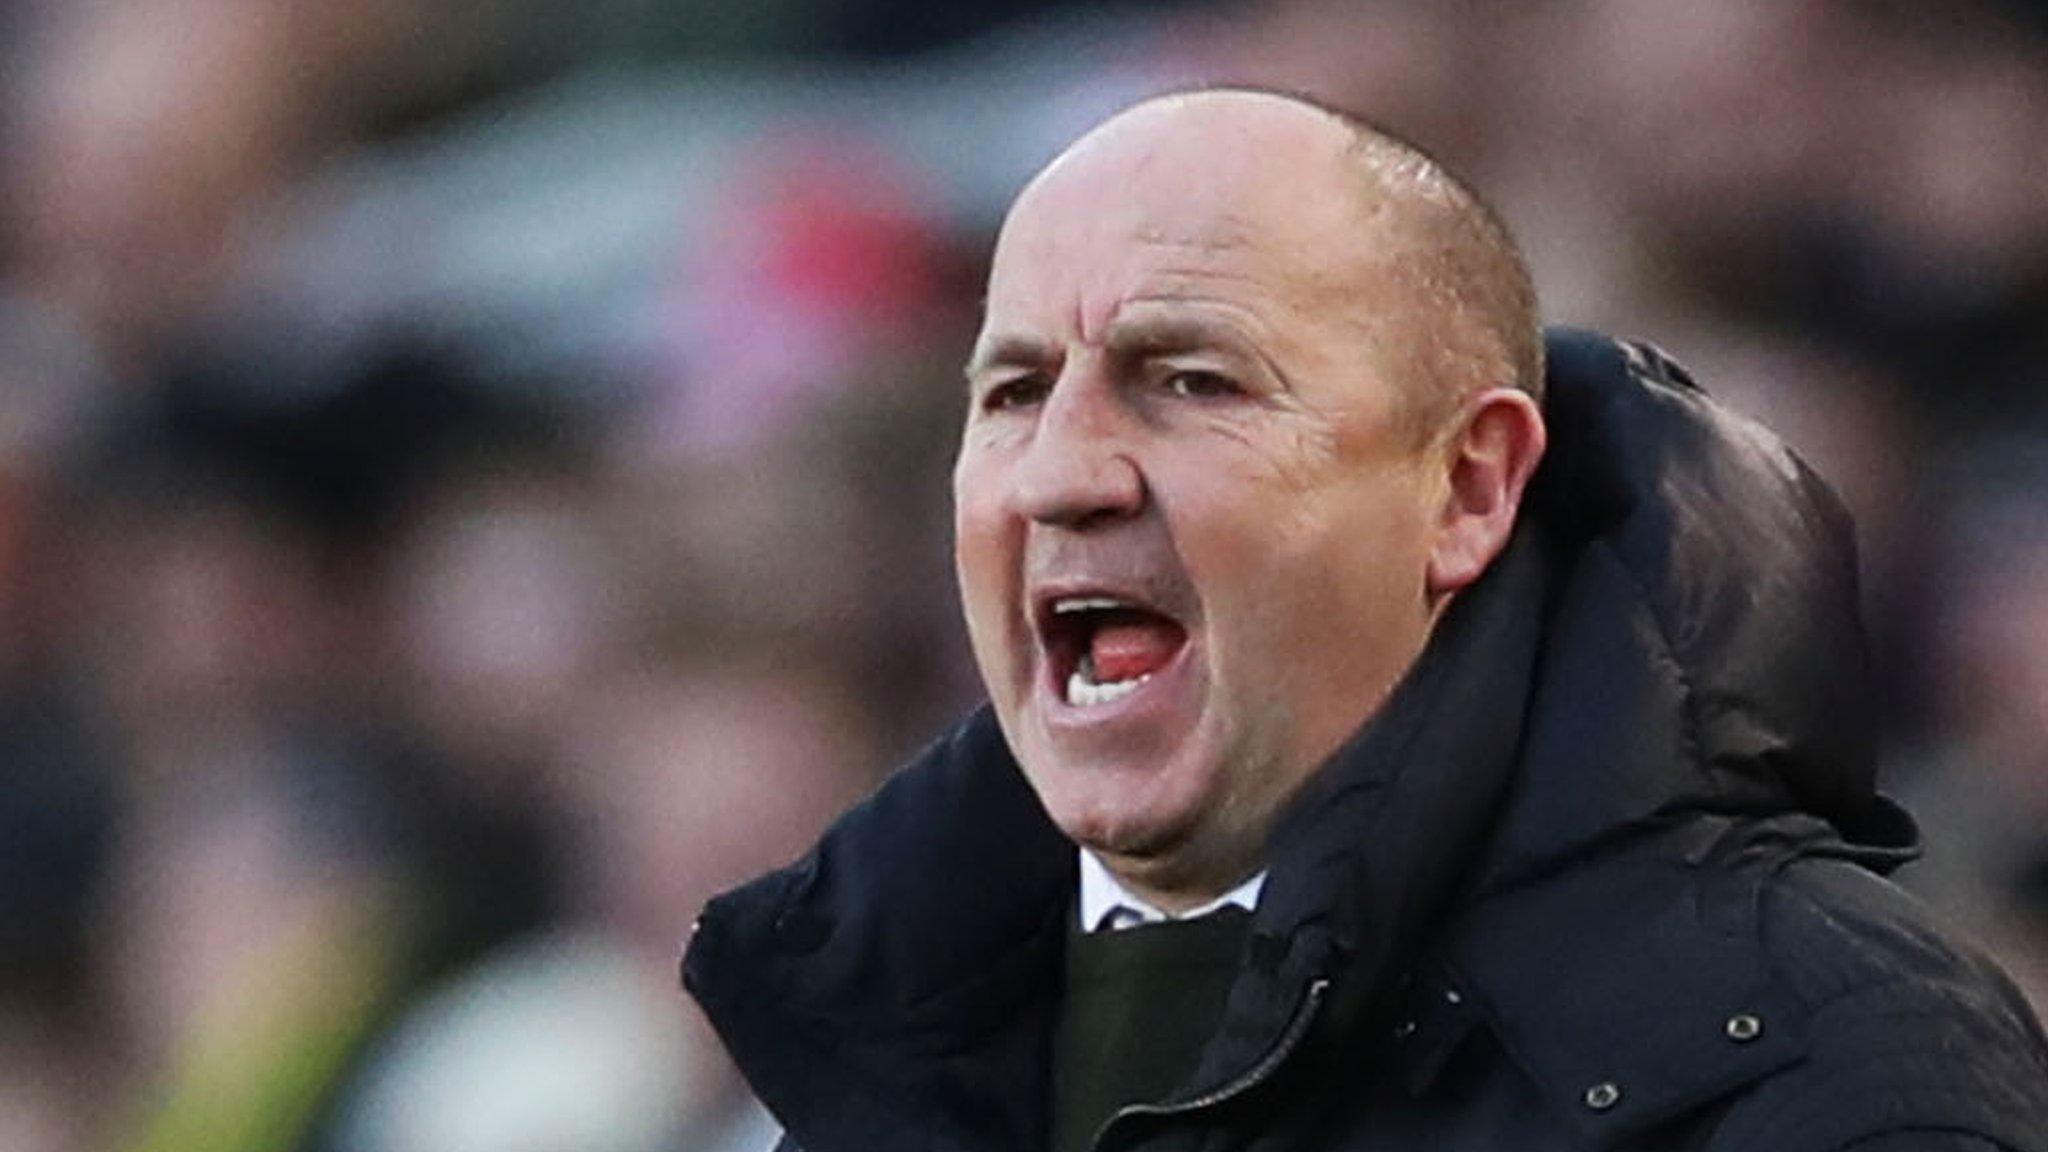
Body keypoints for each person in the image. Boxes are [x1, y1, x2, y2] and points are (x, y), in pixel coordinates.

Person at [682, 88, 2048, 1151]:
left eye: (1193, 380)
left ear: (1466, 486)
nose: (1060, 472)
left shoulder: (1831, 1054)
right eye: (1013, 393)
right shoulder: (872, 1037)